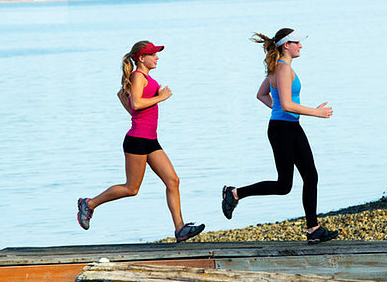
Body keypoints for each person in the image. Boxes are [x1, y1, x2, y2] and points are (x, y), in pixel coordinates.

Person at [78, 41, 205, 243]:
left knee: (173, 181)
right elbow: (136, 102)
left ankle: (180, 228)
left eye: (156, 54)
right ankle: (89, 204)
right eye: (153, 54)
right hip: (137, 140)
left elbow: (122, 95)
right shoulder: (138, 76)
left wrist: (137, 115)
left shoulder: (144, 78)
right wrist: (160, 98)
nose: (157, 57)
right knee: (132, 189)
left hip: (150, 140)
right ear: (141, 58)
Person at [222, 28, 339, 244]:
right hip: (282, 130)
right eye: (297, 43)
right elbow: (285, 104)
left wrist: (278, 112)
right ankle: (234, 193)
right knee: (284, 185)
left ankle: (313, 229)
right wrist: (317, 112)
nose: (301, 46)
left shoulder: (277, 68)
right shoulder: (282, 69)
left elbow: (262, 95)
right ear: (286, 45)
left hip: (288, 126)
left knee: (310, 176)